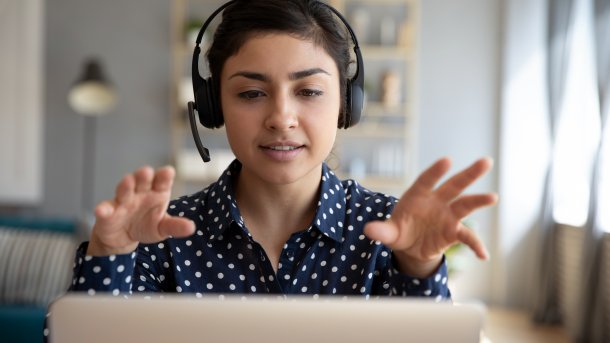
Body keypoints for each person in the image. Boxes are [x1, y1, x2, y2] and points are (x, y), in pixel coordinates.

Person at [66, 0, 496, 310]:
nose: (281, 117)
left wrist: (418, 268)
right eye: (251, 93)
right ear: (214, 107)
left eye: (309, 91)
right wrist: (110, 255)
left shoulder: (390, 234)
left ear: (347, 103)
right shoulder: (160, 238)